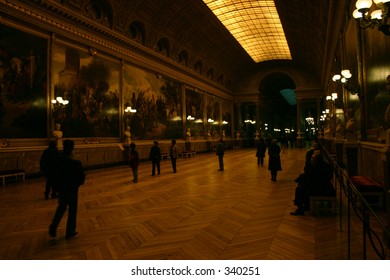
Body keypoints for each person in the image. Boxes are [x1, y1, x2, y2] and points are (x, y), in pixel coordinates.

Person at [49, 140, 85, 239]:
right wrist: (77, 184)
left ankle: (53, 226)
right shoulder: (75, 162)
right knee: (72, 209)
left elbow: (53, 173)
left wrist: (56, 186)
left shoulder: (58, 159)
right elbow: (81, 176)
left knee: (61, 207)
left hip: (62, 188)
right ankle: (70, 231)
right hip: (72, 189)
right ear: (72, 148)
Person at [290, 151, 334, 216]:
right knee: (304, 187)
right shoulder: (326, 166)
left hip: (320, 189)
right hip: (327, 188)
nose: (311, 160)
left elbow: (310, 180)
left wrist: (301, 182)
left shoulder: (315, 168)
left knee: (299, 189)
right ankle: (306, 206)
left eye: (313, 159)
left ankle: (300, 209)